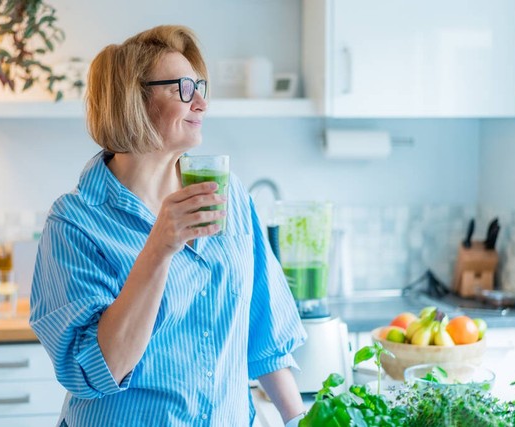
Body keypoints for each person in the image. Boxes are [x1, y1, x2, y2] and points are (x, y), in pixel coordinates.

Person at [29, 25, 308, 426]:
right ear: (133, 101)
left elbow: (265, 331)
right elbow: (93, 372)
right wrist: (159, 246)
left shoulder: (228, 196)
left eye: (200, 86)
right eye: (182, 87)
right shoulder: (75, 223)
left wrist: (298, 417)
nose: (200, 103)